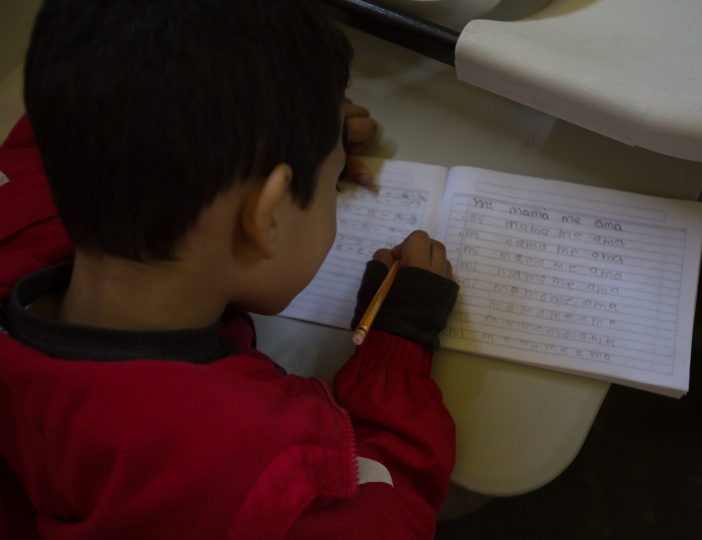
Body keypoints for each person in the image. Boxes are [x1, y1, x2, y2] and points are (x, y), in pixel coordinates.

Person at [0, 0, 460, 538]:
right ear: (264, 220)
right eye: (329, 180)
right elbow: (386, 517)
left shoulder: (33, 189)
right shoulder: (258, 473)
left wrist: (281, 128)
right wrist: (397, 352)